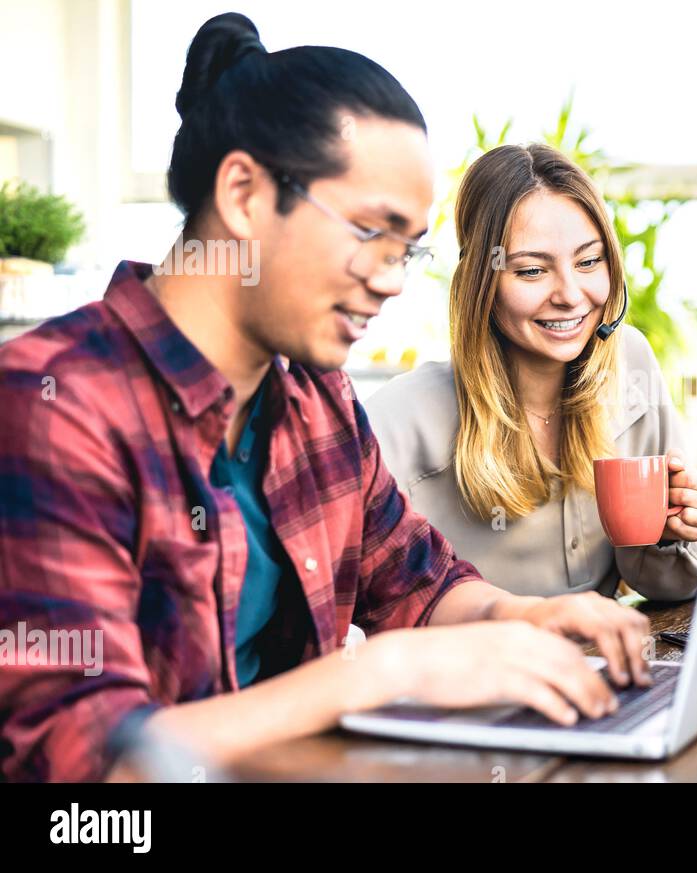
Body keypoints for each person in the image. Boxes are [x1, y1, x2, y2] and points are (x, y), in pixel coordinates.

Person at [0, 14, 654, 783]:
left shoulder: (317, 398)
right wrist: (385, 671)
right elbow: (85, 768)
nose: (391, 277)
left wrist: (524, 618)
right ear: (243, 193)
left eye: (407, 247)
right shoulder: (51, 405)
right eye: (370, 231)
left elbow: (418, 582)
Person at [366, 144, 697, 599]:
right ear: (481, 285)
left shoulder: (628, 362)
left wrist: (673, 532)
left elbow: (663, 585)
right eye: (532, 271)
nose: (571, 295)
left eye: (589, 261)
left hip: (601, 660)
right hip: (473, 667)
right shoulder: (400, 418)